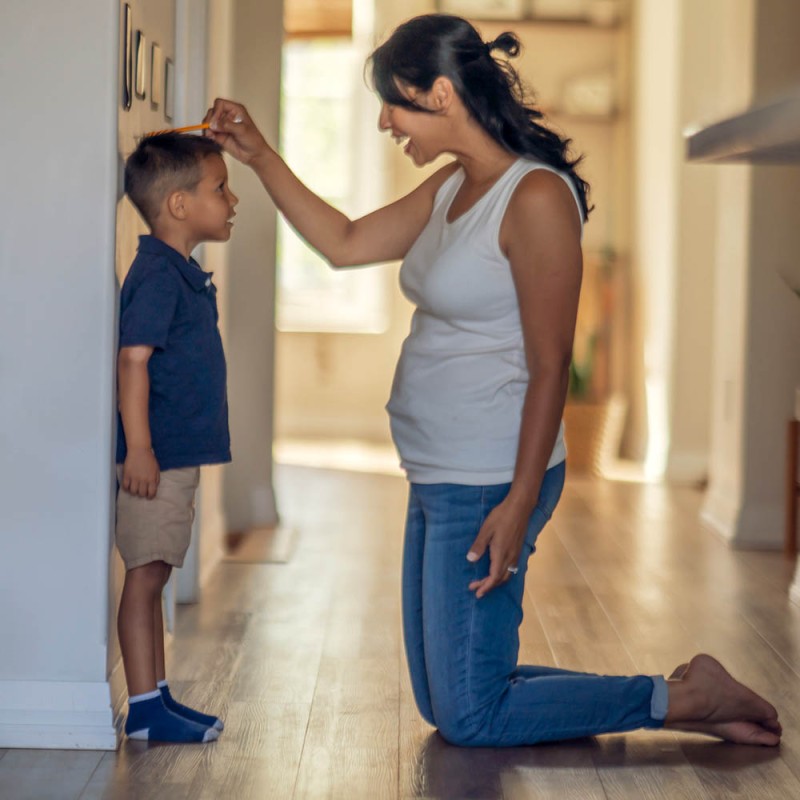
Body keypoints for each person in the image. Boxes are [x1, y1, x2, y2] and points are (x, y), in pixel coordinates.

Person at [204, 13, 781, 747]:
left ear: (442, 95)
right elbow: (345, 244)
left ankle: (684, 699)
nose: (385, 122)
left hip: (487, 480)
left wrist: (519, 500)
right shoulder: (455, 185)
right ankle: (677, 693)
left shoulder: (534, 199)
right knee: (445, 699)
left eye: (395, 103)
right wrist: (258, 155)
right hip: (437, 471)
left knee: (471, 716)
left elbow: (551, 366)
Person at [115, 132, 238, 742]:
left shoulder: (177, 272)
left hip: (173, 456)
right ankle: (144, 710)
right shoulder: (160, 276)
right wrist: (140, 448)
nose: (232, 200)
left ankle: (156, 696)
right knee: (146, 575)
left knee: (157, 572)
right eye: (221, 188)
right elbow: (133, 359)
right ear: (180, 205)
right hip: (156, 459)